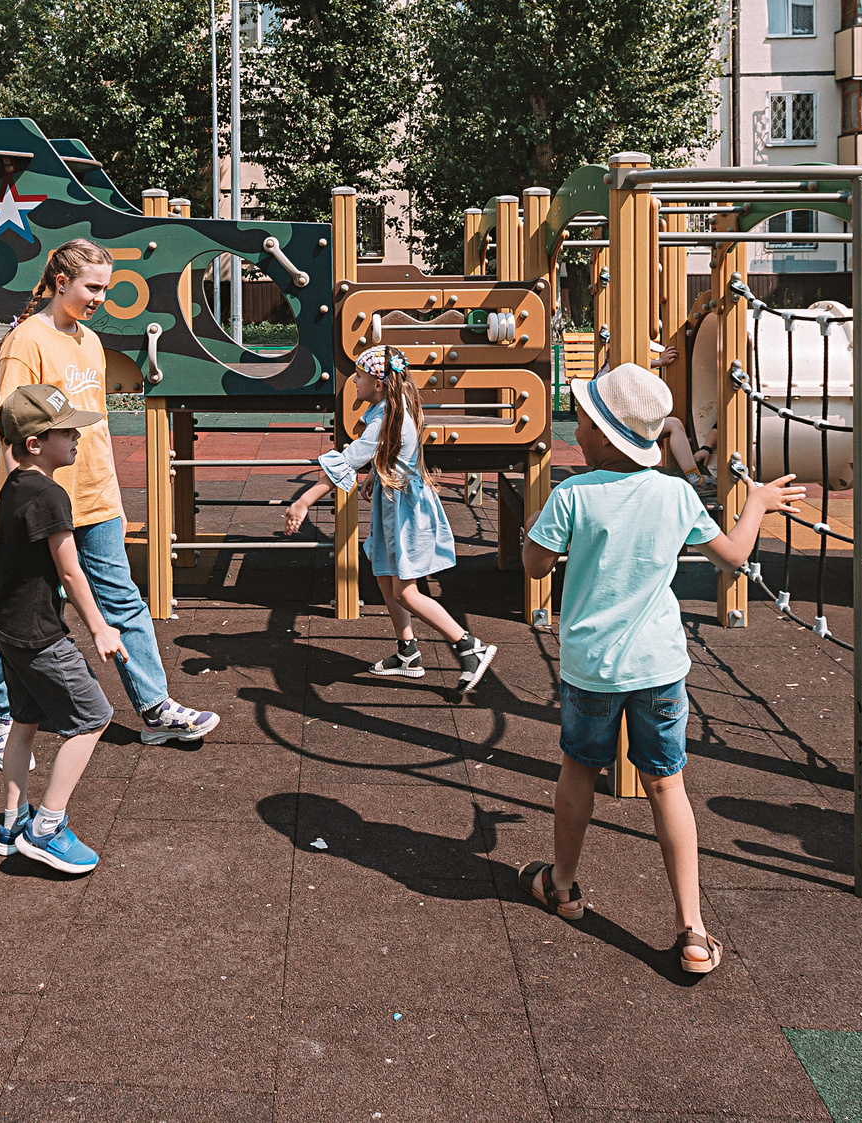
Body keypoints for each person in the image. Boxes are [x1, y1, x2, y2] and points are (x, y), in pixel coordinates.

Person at [519, 363, 808, 975]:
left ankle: (562, 885)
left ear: (602, 435)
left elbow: (535, 565)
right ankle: (693, 930)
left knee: (580, 769)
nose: (578, 428)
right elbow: (733, 557)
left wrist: (535, 531)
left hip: (592, 670)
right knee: (667, 785)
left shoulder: (572, 494)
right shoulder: (676, 495)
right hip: (659, 668)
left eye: (584, 420)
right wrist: (756, 502)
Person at [0, 239, 218, 766]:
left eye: (105, 288)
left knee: (125, 603)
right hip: (42, 505)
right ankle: (5, 721)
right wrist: (8, 521)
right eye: (92, 287)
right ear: (60, 282)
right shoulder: (26, 342)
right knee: (29, 612)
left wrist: (114, 496)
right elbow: (11, 432)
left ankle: (155, 709)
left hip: (95, 498)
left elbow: (99, 425)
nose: (100, 298)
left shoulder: (89, 340)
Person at [280, 345, 497, 692]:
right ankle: (407, 652)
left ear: (378, 384)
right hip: (394, 502)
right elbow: (394, 451)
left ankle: (469, 645)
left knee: (406, 592)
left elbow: (349, 459)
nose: (353, 381)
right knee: (384, 574)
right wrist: (375, 473)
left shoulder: (386, 419)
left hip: (408, 512)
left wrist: (304, 501)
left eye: (359, 376)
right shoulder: (392, 409)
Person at [0, 383, 124, 875]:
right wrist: (100, 628)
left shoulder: (13, 486)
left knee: (23, 722)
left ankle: (12, 823)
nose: (77, 439)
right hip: (38, 634)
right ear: (35, 443)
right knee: (93, 717)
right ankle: (47, 826)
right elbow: (70, 570)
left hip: (6, 626)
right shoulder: (50, 495)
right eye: (67, 433)